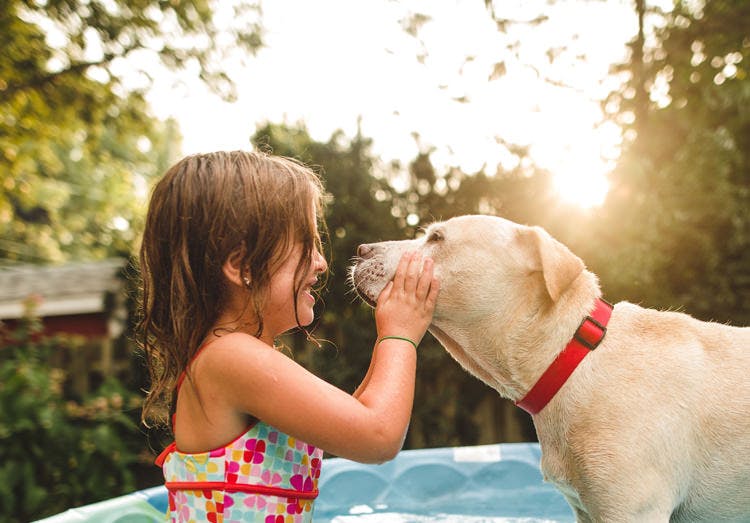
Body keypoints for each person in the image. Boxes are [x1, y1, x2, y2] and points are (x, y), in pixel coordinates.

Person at [137, 150, 439, 523]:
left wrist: (387, 337)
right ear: (242, 266)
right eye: (306, 245)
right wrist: (401, 334)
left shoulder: (229, 356)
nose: (321, 262)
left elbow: (355, 417)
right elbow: (377, 435)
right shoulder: (231, 357)